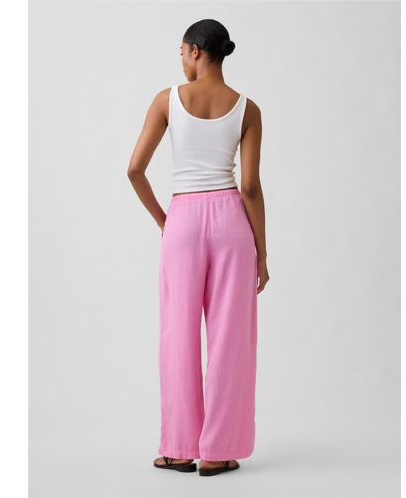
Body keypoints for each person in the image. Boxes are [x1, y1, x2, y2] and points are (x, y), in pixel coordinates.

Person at [127, 19, 269, 477]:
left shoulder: (166, 100)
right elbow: (250, 187)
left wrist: (164, 220)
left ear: (193, 51)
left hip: (183, 222)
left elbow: (134, 170)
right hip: (232, 223)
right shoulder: (248, 109)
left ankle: (178, 448)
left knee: (178, 334)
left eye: (181, 53)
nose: (181, 62)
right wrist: (262, 253)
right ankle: (217, 451)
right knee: (231, 338)